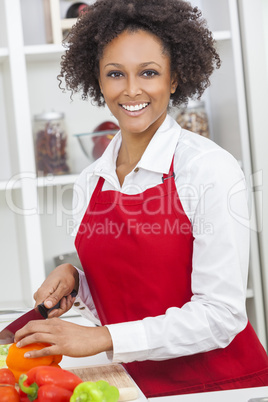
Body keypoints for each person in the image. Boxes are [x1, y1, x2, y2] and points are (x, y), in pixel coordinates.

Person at [15, 0, 268, 397]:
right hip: (131, 385)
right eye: (115, 74)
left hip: (220, 387)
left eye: (148, 73)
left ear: (173, 78)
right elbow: (126, 298)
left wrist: (101, 338)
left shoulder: (208, 169)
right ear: (97, 81)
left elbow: (221, 316)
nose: (131, 90)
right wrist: (78, 282)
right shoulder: (90, 180)